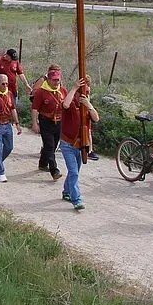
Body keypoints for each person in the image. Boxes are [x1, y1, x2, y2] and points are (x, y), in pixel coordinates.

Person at [59, 77, 99, 210]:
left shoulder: (86, 106)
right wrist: (75, 88)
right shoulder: (71, 103)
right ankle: (76, 200)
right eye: (82, 92)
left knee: (74, 172)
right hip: (67, 143)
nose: (84, 95)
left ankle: (66, 192)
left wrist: (89, 105)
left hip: (81, 145)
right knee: (74, 172)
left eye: (87, 92)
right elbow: (64, 104)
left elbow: (96, 118)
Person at [32, 64, 66, 181]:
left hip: (58, 121)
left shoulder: (62, 90)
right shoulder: (41, 92)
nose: (56, 82)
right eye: (54, 80)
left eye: (58, 80)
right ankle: (54, 170)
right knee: (49, 146)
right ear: (49, 79)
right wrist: (35, 123)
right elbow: (35, 108)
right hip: (45, 121)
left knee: (53, 145)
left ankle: (42, 163)